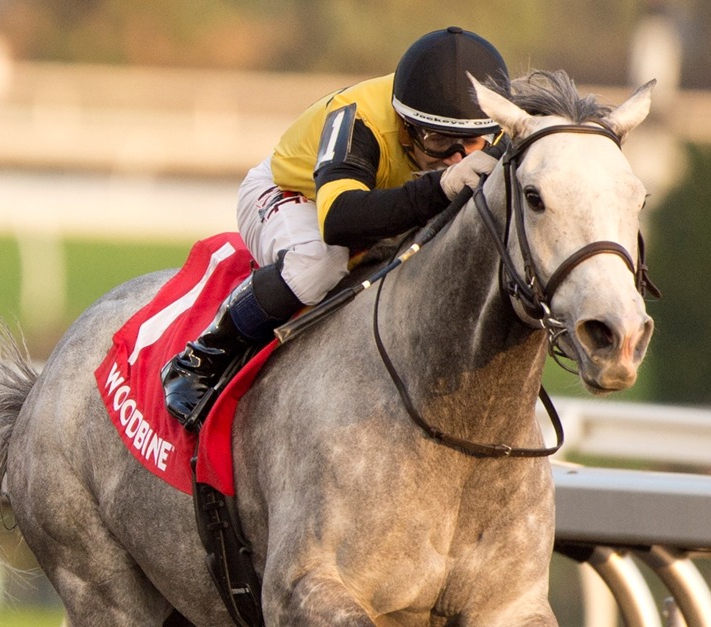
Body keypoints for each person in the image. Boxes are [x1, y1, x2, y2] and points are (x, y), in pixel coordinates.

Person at [161, 26, 509, 430]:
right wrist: (441, 187)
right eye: (438, 143)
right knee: (319, 263)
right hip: (297, 194)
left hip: (377, 199)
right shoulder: (358, 118)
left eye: (473, 143)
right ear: (405, 124)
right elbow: (339, 221)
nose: (456, 158)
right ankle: (201, 359)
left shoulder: (496, 126)